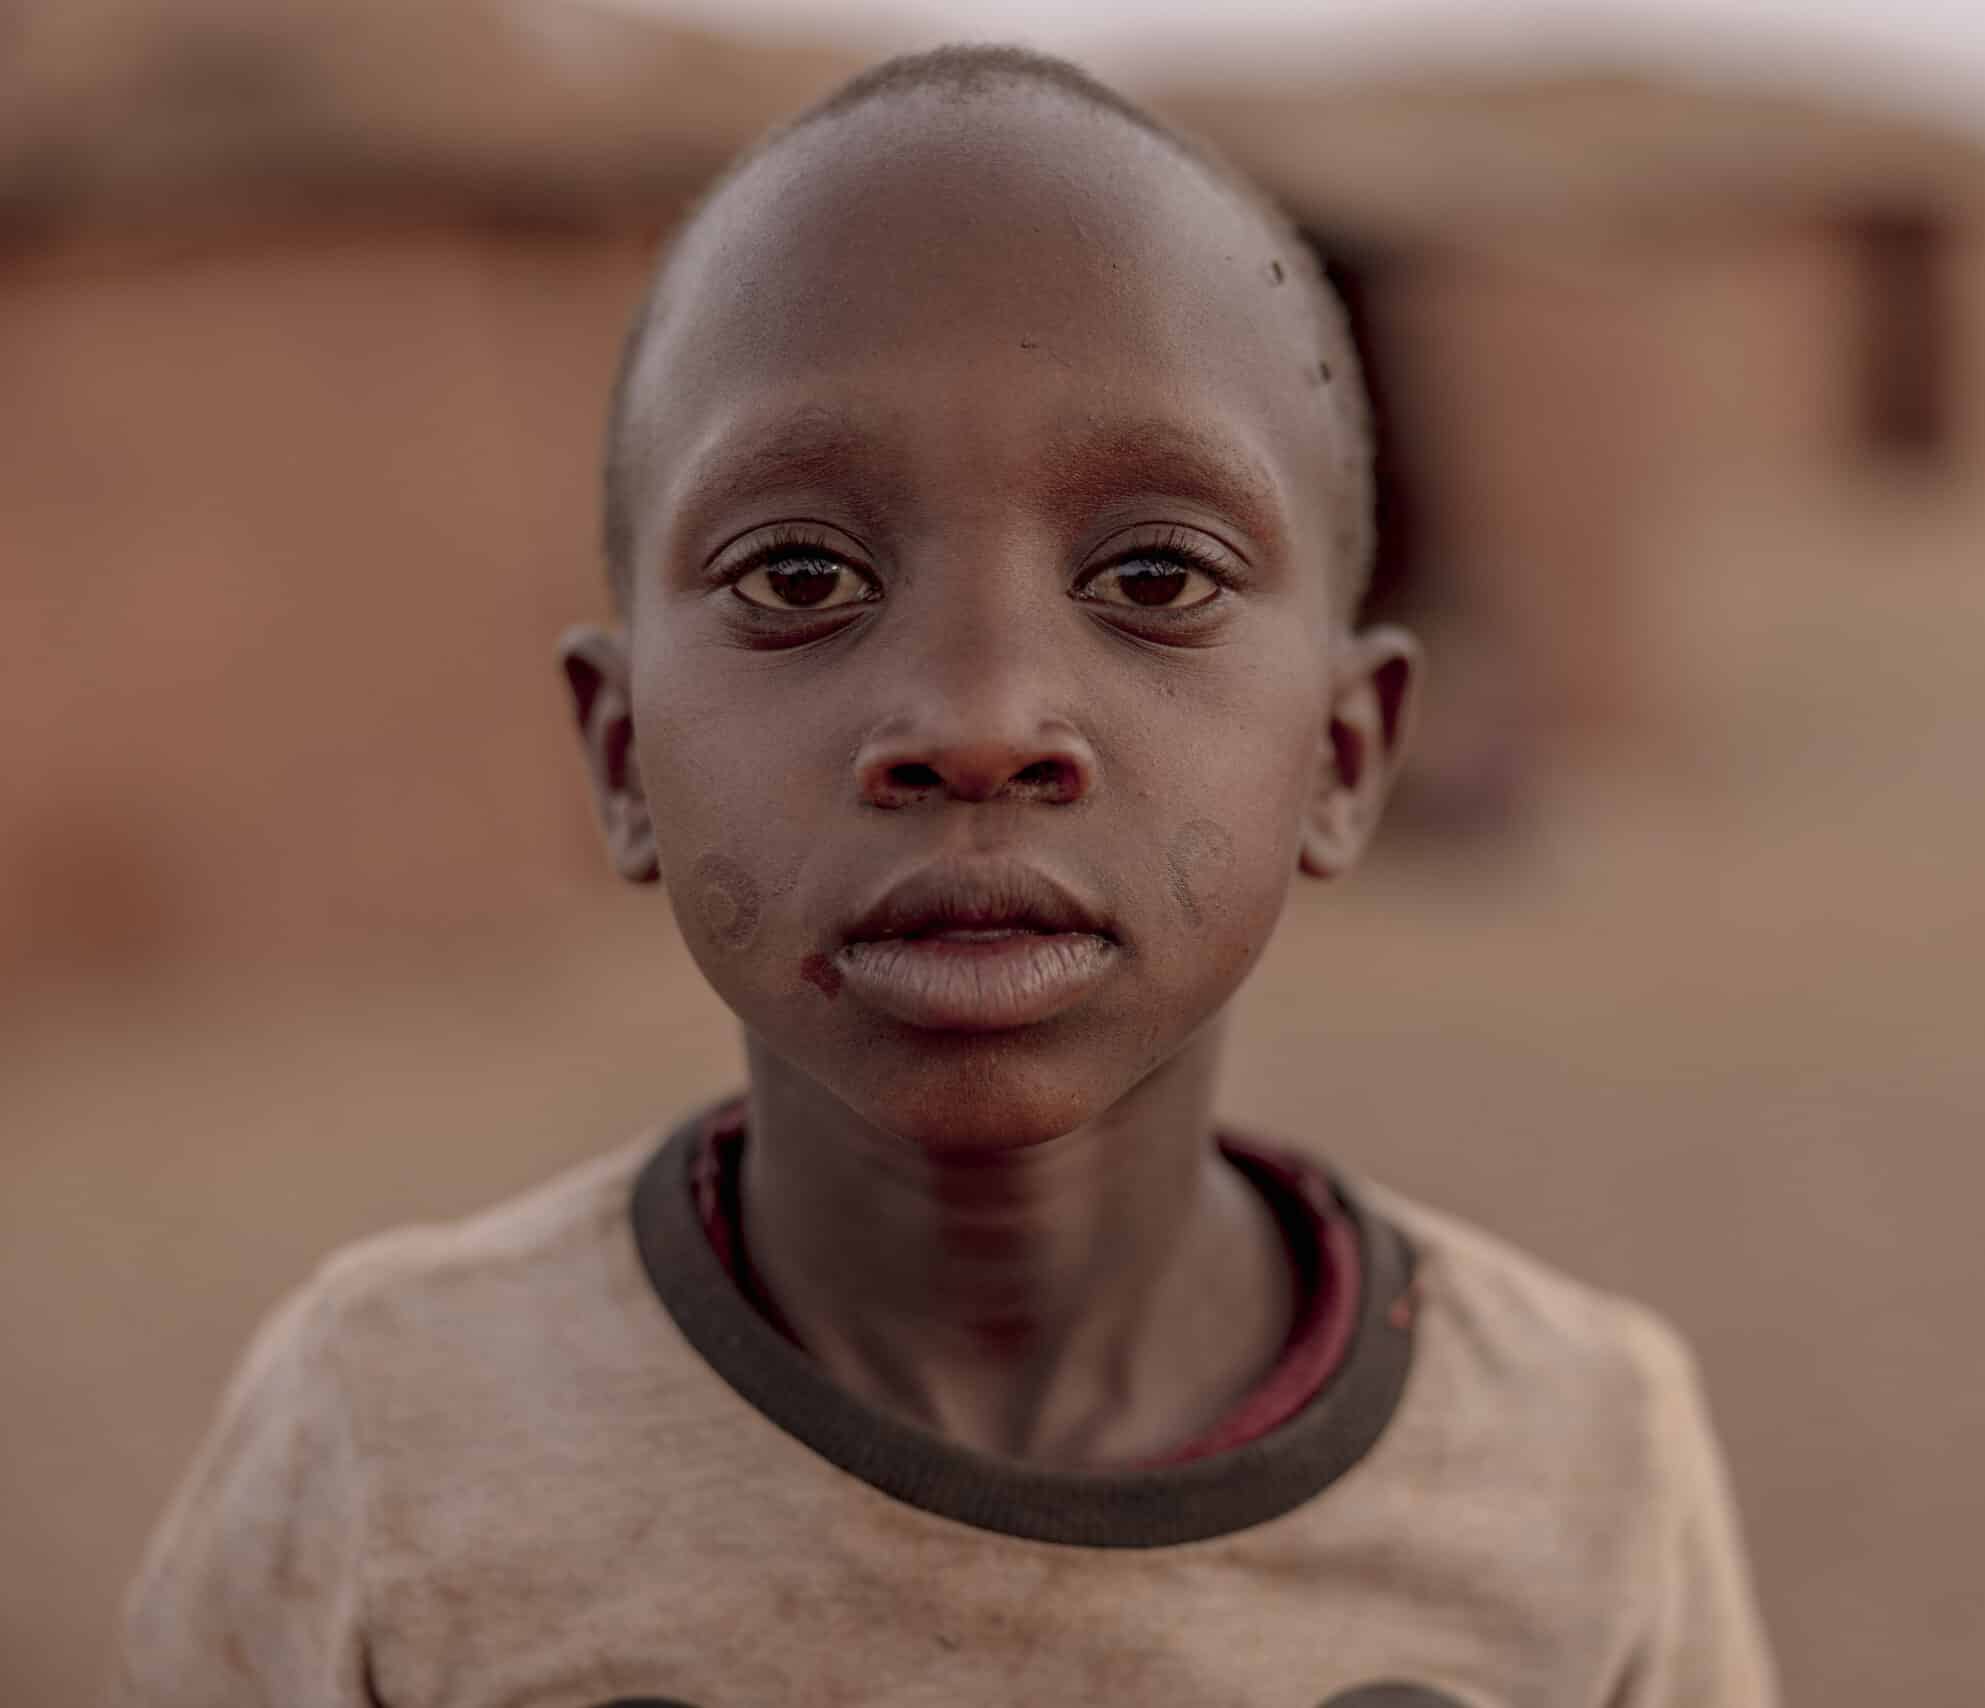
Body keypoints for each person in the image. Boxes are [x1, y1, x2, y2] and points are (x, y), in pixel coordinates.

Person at [109, 45, 1776, 1708]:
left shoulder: (1582, 1466)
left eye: (1152, 572)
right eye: (800, 573)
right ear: (623, 760)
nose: (978, 724)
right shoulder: (393, 1441)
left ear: (1342, 757)